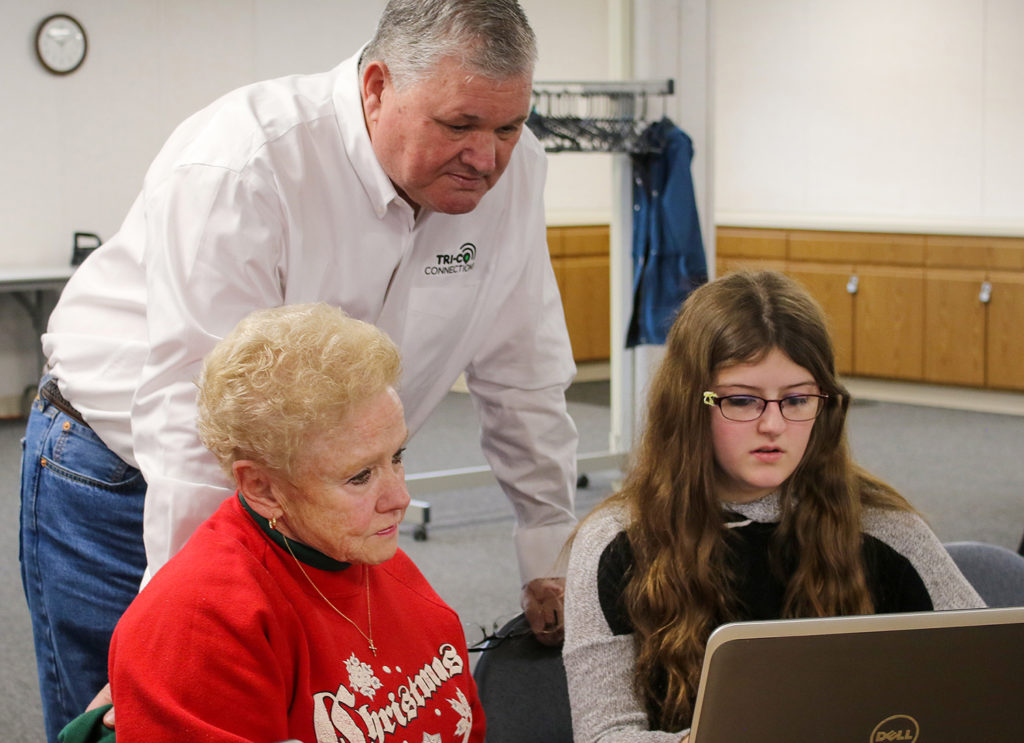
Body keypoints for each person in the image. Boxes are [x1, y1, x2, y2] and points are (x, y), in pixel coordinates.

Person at [21, 2, 576, 740]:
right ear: (376, 86)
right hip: (125, 469)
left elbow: (524, 366)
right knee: (141, 714)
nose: (488, 156)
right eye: (459, 125)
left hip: (327, 495)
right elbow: (195, 420)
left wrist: (549, 546)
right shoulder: (245, 161)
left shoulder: (513, 174)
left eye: (508, 127)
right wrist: (186, 628)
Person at [562, 270, 985, 742]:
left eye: (797, 399)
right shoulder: (617, 543)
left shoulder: (884, 529)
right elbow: (605, 734)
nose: (773, 425)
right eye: (742, 401)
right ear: (689, 403)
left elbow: (987, 683)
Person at [59, 303, 485, 743]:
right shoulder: (202, 625)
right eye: (360, 476)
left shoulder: (380, 566)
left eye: (396, 457)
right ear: (262, 488)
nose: (401, 498)